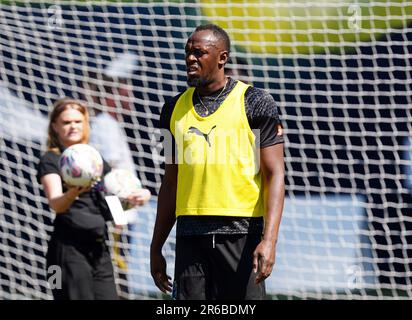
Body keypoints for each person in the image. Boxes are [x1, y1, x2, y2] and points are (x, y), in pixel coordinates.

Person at [150, 24, 285, 300]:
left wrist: (269, 240)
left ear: (222, 58)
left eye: (199, 52)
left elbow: (275, 175)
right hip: (189, 238)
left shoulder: (256, 102)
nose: (190, 58)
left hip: (242, 235)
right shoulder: (171, 109)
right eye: (188, 52)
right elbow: (171, 181)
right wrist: (156, 247)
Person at [36, 98, 149, 300]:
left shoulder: (95, 159)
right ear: (55, 126)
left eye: (78, 121)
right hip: (69, 252)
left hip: (99, 249)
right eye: (66, 122)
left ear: (86, 124)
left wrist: (134, 199)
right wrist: (73, 192)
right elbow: (56, 204)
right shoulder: (51, 160)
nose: (73, 127)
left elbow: (112, 205)